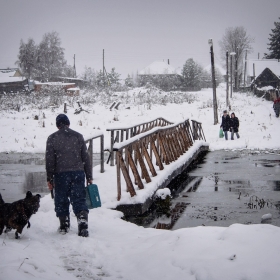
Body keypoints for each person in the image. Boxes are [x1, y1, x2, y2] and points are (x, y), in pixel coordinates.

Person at [45, 114, 92, 237]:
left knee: (61, 199)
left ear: (57, 125)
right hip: (78, 173)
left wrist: (49, 177)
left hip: (60, 174)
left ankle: (64, 225)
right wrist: (89, 176)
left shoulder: (52, 138)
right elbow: (86, 158)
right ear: (68, 123)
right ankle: (82, 224)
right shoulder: (78, 136)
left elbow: (50, 160)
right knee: (79, 198)